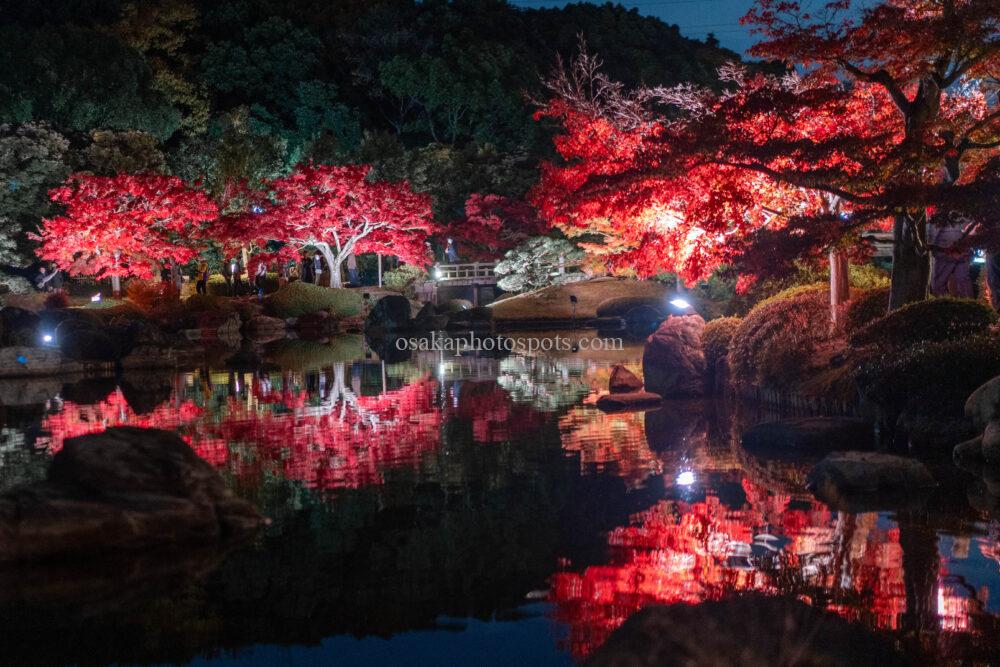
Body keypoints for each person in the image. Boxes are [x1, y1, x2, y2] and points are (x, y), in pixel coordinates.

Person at [927, 217, 973, 298]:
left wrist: (930, 247)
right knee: (963, 282)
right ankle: (966, 305)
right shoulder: (967, 210)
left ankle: (945, 306)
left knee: (938, 284)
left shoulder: (941, 213)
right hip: (957, 251)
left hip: (944, 251)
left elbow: (932, 232)